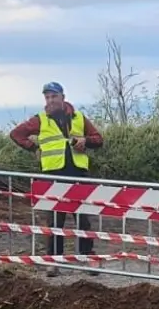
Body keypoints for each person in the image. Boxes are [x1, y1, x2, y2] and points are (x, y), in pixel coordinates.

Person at [9, 82, 105, 276]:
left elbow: (98, 139)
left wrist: (86, 141)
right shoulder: (40, 119)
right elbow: (16, 134)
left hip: (78, 174)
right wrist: (33, 148)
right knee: (54, 220)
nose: (50, 101)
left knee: (83, 219)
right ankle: (54, 261)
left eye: (54, 96)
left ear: (63, 97)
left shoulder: (79, 117)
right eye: (47, 97)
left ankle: (88, 258)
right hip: (53, 175)